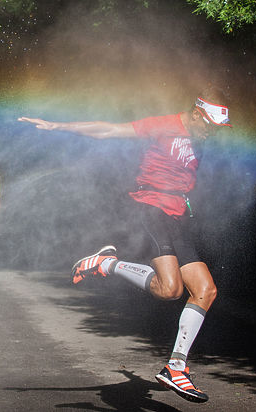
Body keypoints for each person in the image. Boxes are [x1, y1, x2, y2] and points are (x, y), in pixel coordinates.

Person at [18, 87, 231, 403]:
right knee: (169, 289)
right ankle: (107, 264)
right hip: (151, 207)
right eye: (209, 125)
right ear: (197, 113)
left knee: (206, 290)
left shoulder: (201, 133)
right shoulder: (165, 124)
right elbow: (107, 130)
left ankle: (175, 367)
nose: (211, 132)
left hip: (178, 215)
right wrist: (56, 126)